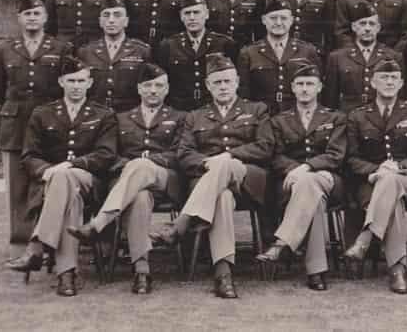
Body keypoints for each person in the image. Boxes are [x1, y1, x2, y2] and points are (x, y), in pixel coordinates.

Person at [151, 55, 272, 299]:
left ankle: (181, 224)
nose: (223, 87)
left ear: (237, 81)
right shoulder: (195, 116)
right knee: (223, 197)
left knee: (225, 165)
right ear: (207, 86)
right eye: (217, 83)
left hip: (248, 176)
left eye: (227, 81)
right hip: (210, 181)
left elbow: (265, 147)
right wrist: (209, 163)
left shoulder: (257, 109)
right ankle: (223, 273)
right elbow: (184, 154)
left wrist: (227, 157)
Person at [66, 64, 185, 294]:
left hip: (165, 181)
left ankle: (99, 224)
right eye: (148, 86)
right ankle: (142, 270)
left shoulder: (180, 117)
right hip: (128, 185)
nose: (153, 91)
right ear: (139, 89)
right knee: (139, 196)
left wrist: (147, 162)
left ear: (167, 89)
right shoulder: (120, 119)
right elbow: (111, 155)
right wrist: (130, 166)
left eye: (159, 86)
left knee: (142, 166)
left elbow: (180, 153)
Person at [5, 59, 118, 297]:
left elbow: (106, 155)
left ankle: (36, 248)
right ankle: (67, 275)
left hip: (90, 182)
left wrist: (68, 165)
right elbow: (29, 155)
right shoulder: (42, 113)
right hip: (53, 183)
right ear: (61, 82)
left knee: (65, 177)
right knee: (69, 197)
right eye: (71, 81)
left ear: (89, 83)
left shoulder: (104, 114)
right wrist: (46, 171)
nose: (76, 86)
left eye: (81, 81)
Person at [256, 62, 348, 292]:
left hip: (330, 179)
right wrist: (295, 171)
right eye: (300, 84)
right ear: (292, 88)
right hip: (290, 184)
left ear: (319, 88)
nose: (305, 89)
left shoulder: (336, 118)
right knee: (313, 200)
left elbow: (336, 155)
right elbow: (274, 156)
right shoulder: (279, 120)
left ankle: (283, 242)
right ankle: (315, 271)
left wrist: (306, 168)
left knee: (310, 184)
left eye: (310, 84)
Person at [342, 59, 407, 294]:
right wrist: (374, 171)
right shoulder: (357, 116)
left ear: (401, 83)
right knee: (394, 199)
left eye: (394, 78)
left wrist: (397, 166)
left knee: (393, 183)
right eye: (384, 77)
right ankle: (398, 270)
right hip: (370, 184)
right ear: (373, 82)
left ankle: (364, 239)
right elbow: (351, 158)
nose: (389, 82)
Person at [0, 0, 72, 256]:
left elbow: (65, 90)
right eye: (27, 14)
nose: (32, 18)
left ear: (45, 17)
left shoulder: (60, 48)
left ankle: (46, 242)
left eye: (36, 13)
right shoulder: (5, 49)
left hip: (48, 127)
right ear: (19, 19)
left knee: (47, 183)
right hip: (14, 127)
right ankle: (19, 245)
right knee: (16, 187)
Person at [236, 0, 321, 115]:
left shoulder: (307, 51)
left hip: (297, 116)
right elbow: (244, 93)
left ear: (292, 20)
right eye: (273, 18)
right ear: (264, 20)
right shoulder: (249, 53)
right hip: (262, 116)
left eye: (284, 18)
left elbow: (317, 90)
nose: (279, 23)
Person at [154, 0, 237, 112]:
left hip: (213, 108)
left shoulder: (224, 44)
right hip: (179, 109)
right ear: (181, 17)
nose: (192, 17)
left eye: (196, 12)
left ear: (206, 14)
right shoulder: (168, 45)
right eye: (187, 13)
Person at [77, 0, 152, 113]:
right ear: (100, 22)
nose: (111, 20)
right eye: (106, 15)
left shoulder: (142, 51)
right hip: (95, 116)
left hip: (129, 115)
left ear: (126, 21)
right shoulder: (86, 52)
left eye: (117, 15)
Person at [323, 2, 400, 112]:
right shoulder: (337, 58)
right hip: (347, 115)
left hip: (379, 115)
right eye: (363, 24)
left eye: (372, 24)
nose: (367, 28)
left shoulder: (392, 56)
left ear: (378, 28)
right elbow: (330, 98)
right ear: (354, 27)